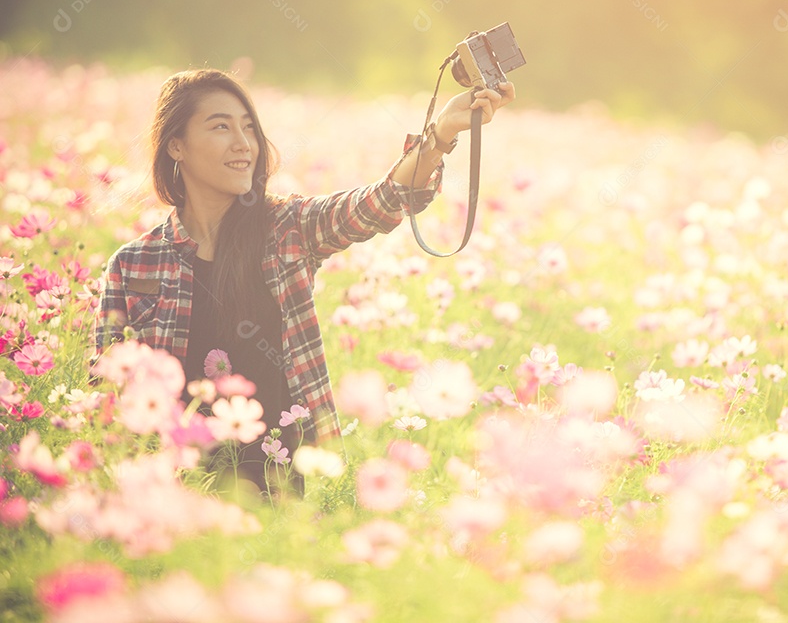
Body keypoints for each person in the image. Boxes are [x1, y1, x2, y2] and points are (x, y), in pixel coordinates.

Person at [92, 68, 514, 499]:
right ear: (175, 145)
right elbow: (107, 403)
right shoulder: (134, 266)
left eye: (249, 128)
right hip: (177, 496)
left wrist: (441, 134)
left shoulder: (287, 229)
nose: (244, 144)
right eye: (221, 126)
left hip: (286, 495)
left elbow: (380, 202)